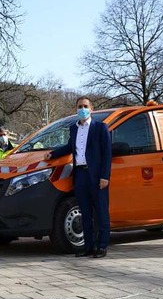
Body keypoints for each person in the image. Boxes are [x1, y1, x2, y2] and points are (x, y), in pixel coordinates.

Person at [45, 96, 112, 258]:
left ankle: (102, 246)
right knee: (85, 212)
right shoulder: (74, 129)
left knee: (101, 211)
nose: (82, 109)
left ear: (91, 109)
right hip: (80, 175)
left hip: (96, 176)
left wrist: (105, 176)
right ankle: (88, 246)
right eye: (80, 107)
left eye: (85, 106)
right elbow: (69, 147)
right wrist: (52, 154)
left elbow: (107, 154)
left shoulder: (100, 128)